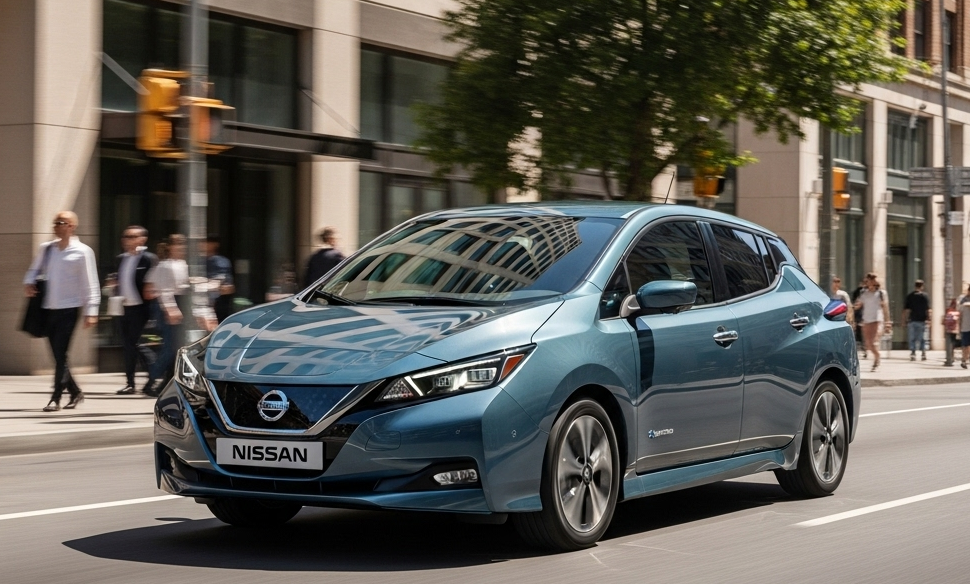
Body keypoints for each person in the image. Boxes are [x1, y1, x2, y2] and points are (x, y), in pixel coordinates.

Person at [23, 211, 100, 412]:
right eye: (55, 222)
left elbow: (90, 283)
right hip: (48, 309)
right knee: (59, 356)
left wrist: (92, 311)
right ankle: (75, 392)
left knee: (60, 354)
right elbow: (33, 270)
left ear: (72, 226)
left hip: (69, 309)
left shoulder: (83, 251)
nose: (56, 226)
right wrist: (29, 282)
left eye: (61, 222)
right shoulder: (47, 249)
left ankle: (55, 398)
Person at [143, 235, 190, 395]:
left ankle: (166, 382)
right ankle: (153, 379)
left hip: (183, 304)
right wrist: (170, 308)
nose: (181, 248)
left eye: (183, 245)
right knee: (170, 347)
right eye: (178, 245)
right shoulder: (165, 266)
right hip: (170, 306)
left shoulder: (184, 264)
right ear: (170, 247)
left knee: (178, 348)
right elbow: (164, 289)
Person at [115, 225, 158, 395]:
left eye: (132, 236)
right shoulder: (120, 259)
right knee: (127, 346)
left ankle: (154, 378)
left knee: (138, 344)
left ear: (142, 239)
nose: (127, 240)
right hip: (122, 307)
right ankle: (130, 383)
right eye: (125, 236)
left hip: (142, 308)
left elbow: (153, 283)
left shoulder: (148, 259)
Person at [855, 272, 889, 372]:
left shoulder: (881, 293)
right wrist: (853, 308)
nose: (868, 282)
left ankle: (877, 358)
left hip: (877, 319)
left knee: (874, 342)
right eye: (867, 280)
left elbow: (885, 308)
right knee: (868, 344)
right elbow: (859, 304)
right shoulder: (864, 293)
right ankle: (876, 356)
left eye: (870, 280)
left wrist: (887, 322)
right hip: (866, 320)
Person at [205, 235, 235, 323]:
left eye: (207, 242)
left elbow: (227, 286)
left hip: (218, 301)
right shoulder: (198, 261)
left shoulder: (221, 261)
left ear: (215, 245)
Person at [902, 279, 931, 362]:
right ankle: (923, 353)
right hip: (922, 320)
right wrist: (929, 319)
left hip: (912, 320)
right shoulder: (925, 296)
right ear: (922, 286)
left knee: (912, 338)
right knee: (923, 338)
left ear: (915, 286)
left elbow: (906, 310)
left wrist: (904, 320)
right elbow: (928, 309)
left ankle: (913, 353)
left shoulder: (910, 296)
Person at [851, 277, 867, 359]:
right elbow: (855, 302)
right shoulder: (857, 291)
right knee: (860, 333)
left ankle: (865, 349)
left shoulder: (870, 292)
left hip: (867, 315)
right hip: (859, 315)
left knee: (865, 333)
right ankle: (863, 349)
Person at [943, 298, 961, 367]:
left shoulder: (948, 310)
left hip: (948, 330)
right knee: (954, 345)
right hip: (956, 330)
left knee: (949, 346)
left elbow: (944, 321)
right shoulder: (959, 311)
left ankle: (949, 360)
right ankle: (952, 359)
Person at [959, 285, 970, 369]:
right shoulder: (963, 299)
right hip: (965, 326)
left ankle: (965, 359)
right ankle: (964, 360)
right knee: (965, 345)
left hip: (965, 326)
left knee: (966, 345)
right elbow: (960, 312)